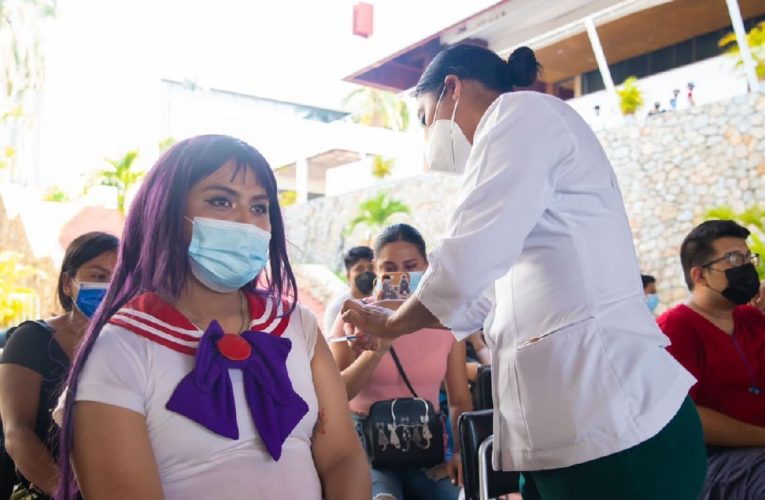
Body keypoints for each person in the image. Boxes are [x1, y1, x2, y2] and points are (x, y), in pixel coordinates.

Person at [341, 44, 706, 499]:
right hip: (566, 438)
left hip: (617, 431)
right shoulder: (517, 154)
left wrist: (393, 323)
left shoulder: (520, 114)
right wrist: (395, 321)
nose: (426, 135)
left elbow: (466, 263)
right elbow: (475, 300)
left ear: (451, 88)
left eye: (423, 117)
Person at [54, 135, 370, 500]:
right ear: (166, 213)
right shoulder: (121, 346)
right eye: (221, 201)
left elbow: (342, 458)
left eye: (259, 207)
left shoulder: (298, 324)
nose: (245, 223)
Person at [330, 223, 472, 500]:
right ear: (376, 270)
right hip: (365, 446)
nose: (400, 276)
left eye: (410, 265)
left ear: (427, 267)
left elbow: (458, 399)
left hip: (427, 444)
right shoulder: (355, 317)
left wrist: (459, 453)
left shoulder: (445, 322)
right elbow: (336, 393)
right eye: (389, 267)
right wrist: (380, 345)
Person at [0, 231, 118, 499]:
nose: (109, 288)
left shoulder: (129, 344)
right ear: (68, 283)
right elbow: (17, 433)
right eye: (98, 277)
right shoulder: (31, 340)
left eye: (118, 278)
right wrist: (68, 493)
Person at [657, 220, 764, 500]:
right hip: (714, 462)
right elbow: (686, 414)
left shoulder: (751, 318)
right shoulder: (676, 328)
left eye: (748, 257)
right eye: (733, 259)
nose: (747, 267)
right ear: (700, 275)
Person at [323, 246, 375, 335]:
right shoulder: (337, 308)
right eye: (359, 268)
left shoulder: (382, 304)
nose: (366, 272)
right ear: (348, 276)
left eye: (371, 268)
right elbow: (330, 346)